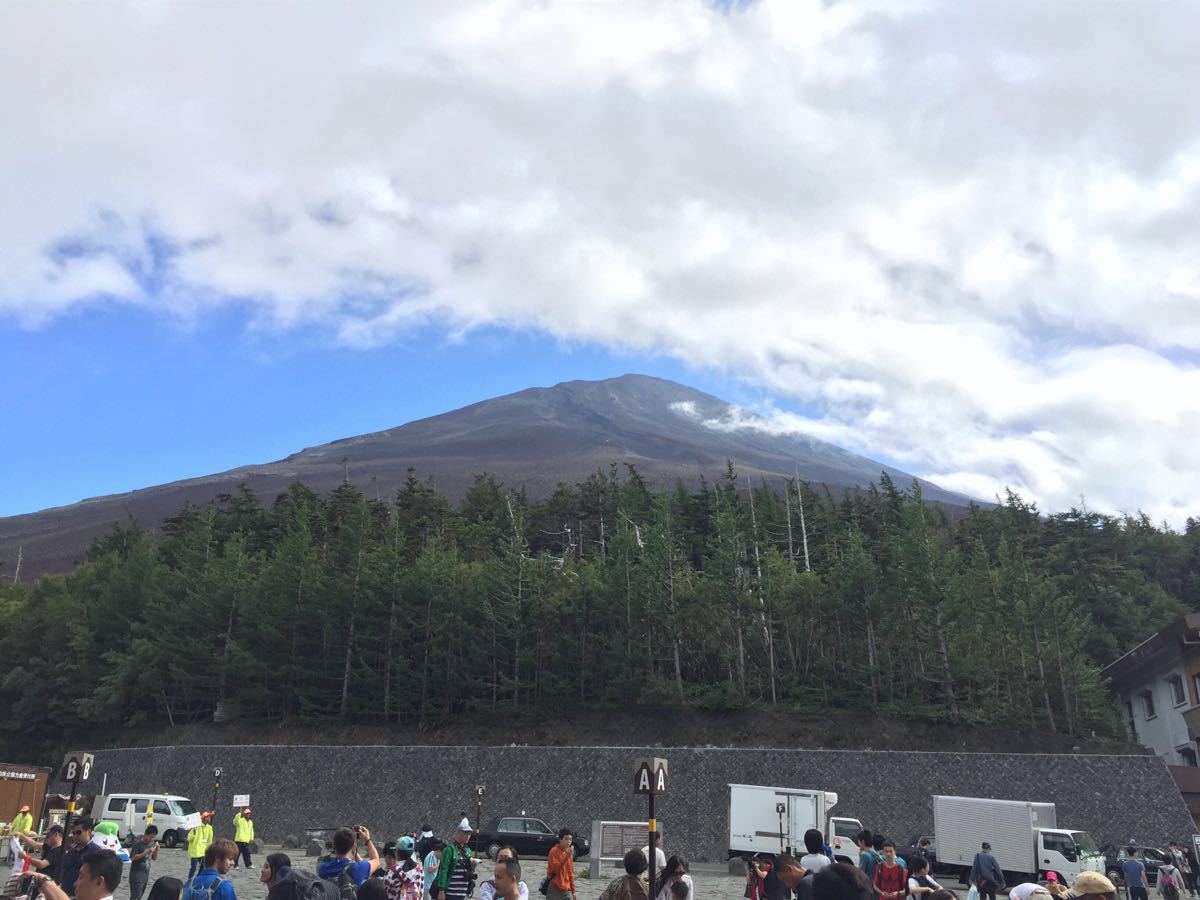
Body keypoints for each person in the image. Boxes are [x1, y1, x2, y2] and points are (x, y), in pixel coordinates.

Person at [433, 820, 475, 900]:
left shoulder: (468, 851)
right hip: (451, 892)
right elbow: (443, 870)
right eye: (465, 833)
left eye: (469, 834)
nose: (468, 836)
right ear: (458, 833)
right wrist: (442, 891)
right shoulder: (449, 850)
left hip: (463, 892)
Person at [60, 820, 95, 898]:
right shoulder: (72, 848)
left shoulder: (95, 851)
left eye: (79, 832)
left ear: (89, 832)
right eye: (74, 833)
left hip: (81, 894)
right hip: (65, 891)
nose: (75, 836)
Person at [128, 827, 159, 900]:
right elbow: (132, 858)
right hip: (136, 875)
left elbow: (154, 858)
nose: (152, 839)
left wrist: (156, 850)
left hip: (145, 875)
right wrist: (145, 853)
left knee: (138, 896)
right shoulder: (137, 844)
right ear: (145, 834)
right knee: (136, 897)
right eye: (150, 837)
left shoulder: (152, 843)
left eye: (153, 837)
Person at [546, 829, 576, 900]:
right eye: (566, 839)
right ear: (560, 839)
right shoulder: (554, 851)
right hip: (554, 888)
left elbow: (570, 873)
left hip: (566, 889)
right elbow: (555, 870)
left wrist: (573, 890)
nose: (568, 842)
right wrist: (566, 857)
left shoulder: (568, 853)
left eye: (570, 839)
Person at [187, 814, 214, 882]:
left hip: (203, 851)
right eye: (207, 818)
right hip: (195, 851)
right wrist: (194, 832)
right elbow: (189, 838)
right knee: (193, 867)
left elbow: (209, 840)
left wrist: (208, 849)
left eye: (209, 818)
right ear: (203, 819)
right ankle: (189, 880)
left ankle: (197, 879)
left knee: (203, 867)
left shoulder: (209, 828)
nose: (208, 819)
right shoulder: (196, 827)